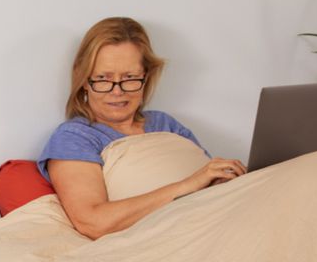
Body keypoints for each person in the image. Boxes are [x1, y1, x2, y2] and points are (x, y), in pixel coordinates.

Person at [39, 17, 245, 240]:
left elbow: (207, 182)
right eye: (103, 79)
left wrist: (223, 179)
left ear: (146, 77)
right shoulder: (75, 137)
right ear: (84, 81)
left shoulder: (165, 123)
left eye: (130, 78)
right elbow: (93, 222)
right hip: (175, 236)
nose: (117, 91)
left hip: (222, 216)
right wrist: (189, 185)